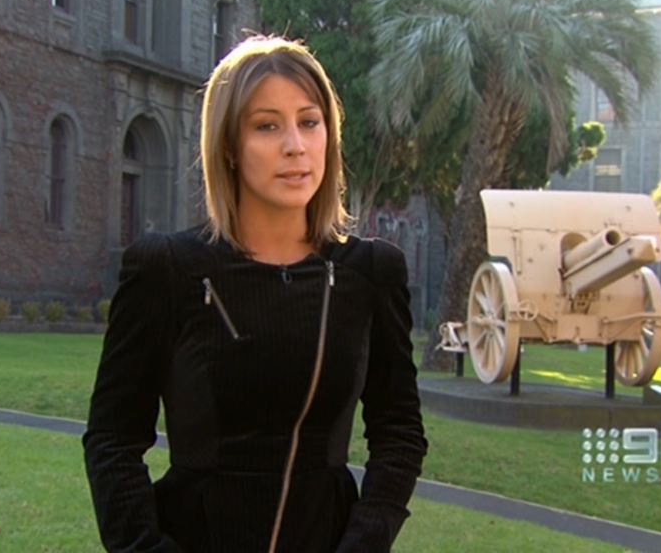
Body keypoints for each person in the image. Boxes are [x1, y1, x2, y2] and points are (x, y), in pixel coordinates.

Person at [82, 34, 428, 553]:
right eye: (267, 126)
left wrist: (363, 542)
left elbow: (399, 433)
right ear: (228, 145)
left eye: (309, 122)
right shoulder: (166, 270)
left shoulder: (371, 274)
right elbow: (112, 440)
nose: (295, 145)